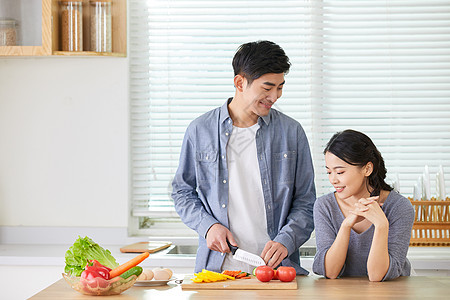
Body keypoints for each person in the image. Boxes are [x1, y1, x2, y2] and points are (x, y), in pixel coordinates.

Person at [172, 40, 316, 274]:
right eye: (267, 88)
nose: (275, 96)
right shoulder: (200, 130)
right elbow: (182, 192)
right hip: (218, 270)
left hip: (277, 272)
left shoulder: (291, 132)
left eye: (280, 87)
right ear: (240, 82)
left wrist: (286, 240)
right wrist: (208, 227)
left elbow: (306, 201)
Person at [312, 129, 415, 281]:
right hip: (341, 294)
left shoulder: (399, 207)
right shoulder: (324, 206)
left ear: (367, 169)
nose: (333, 180)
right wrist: (346, 225)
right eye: (329, 172)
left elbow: (377, 276)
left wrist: (381, 225)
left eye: (340, 172)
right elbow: (330, 272)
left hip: (390, 293)